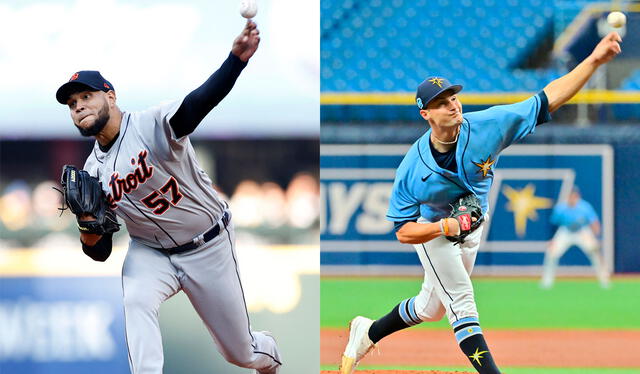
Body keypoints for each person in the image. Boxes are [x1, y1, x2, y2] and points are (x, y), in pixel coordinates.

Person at [339, 32, 622, 374]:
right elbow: (403, 231)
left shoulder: (488, 126)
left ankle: (367, 332)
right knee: (462, 301)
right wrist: (442, 226)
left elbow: (547, 99)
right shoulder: (411, 170)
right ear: (425, 113)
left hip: (474, 226)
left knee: (431, 308)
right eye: (442, 102)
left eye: (454, 97)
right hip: (435, 233)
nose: (453, 104)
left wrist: (593, 59)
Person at [55, 21, 281, 374]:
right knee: (136, 298)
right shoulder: (92, 172)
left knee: (241, 353)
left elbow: (198, 103)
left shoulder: (150, 125)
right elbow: (99, 252)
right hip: (151, 253)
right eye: (72, 103)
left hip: (207, 244)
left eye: (86, 96)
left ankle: (267, 356)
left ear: (111, 96)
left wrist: (235, 61)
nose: (79, 106)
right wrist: (87, 226)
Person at [541, 187, 609, 288]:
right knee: (551, 253)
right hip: (565, 231)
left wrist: (596, 237)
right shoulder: (561, 208)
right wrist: (552, 239)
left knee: (594, 252)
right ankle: (547, 282)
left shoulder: (585, 207)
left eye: (574, 196)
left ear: (578, 196)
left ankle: (604, 281)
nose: (571, 198)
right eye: (569, 196)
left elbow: (594, 222)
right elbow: (553, 224)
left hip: (582, 231)